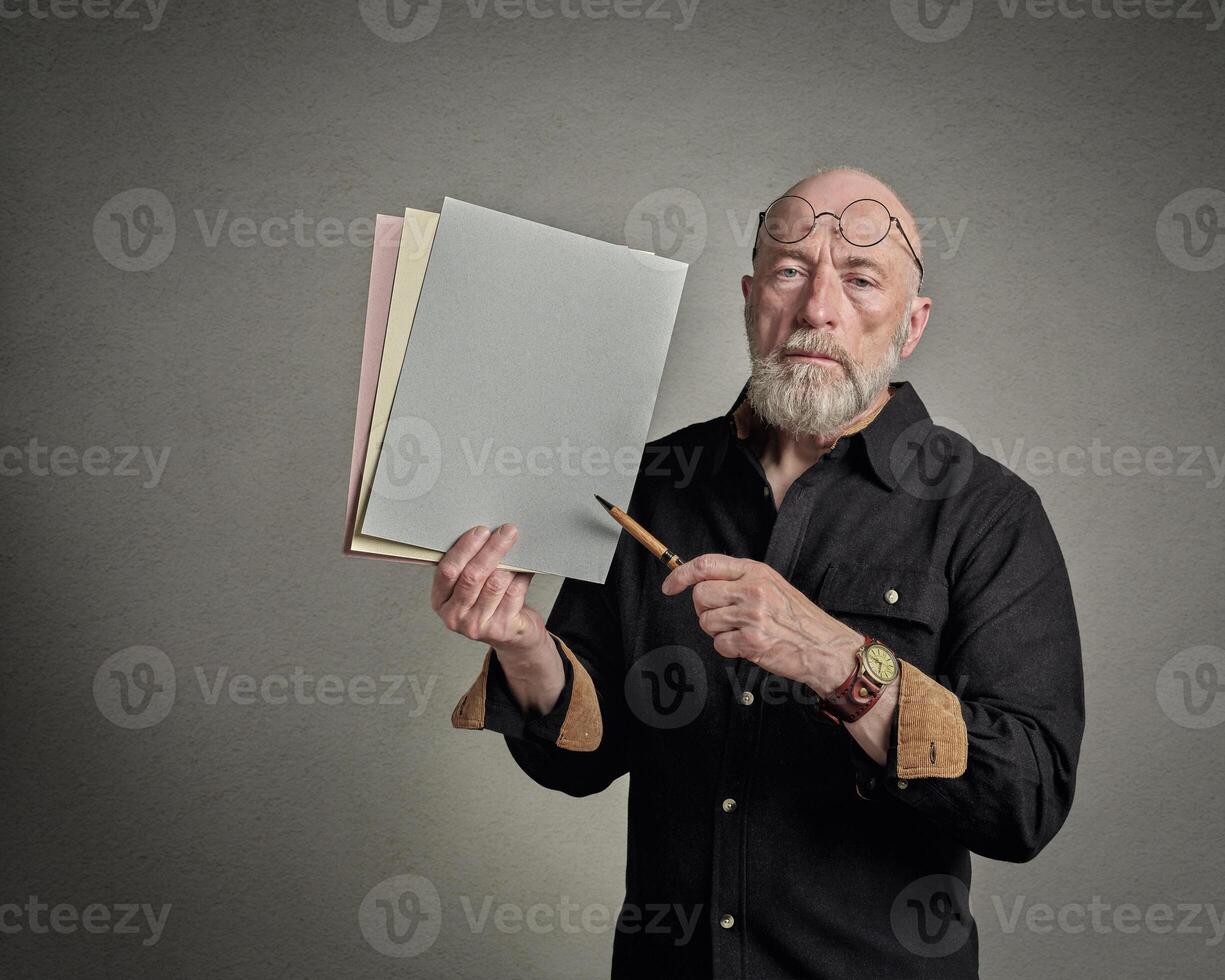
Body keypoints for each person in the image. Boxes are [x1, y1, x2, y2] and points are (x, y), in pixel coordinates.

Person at [433, 166, 1085, 978]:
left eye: (858, 279)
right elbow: (582, 760)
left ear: (910, 324)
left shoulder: (987, 511)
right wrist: (524, 647)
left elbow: (1023, 800)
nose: (817, 308)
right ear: (750, 298)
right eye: (789, 270)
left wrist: (834, 659)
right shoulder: (653, 482)